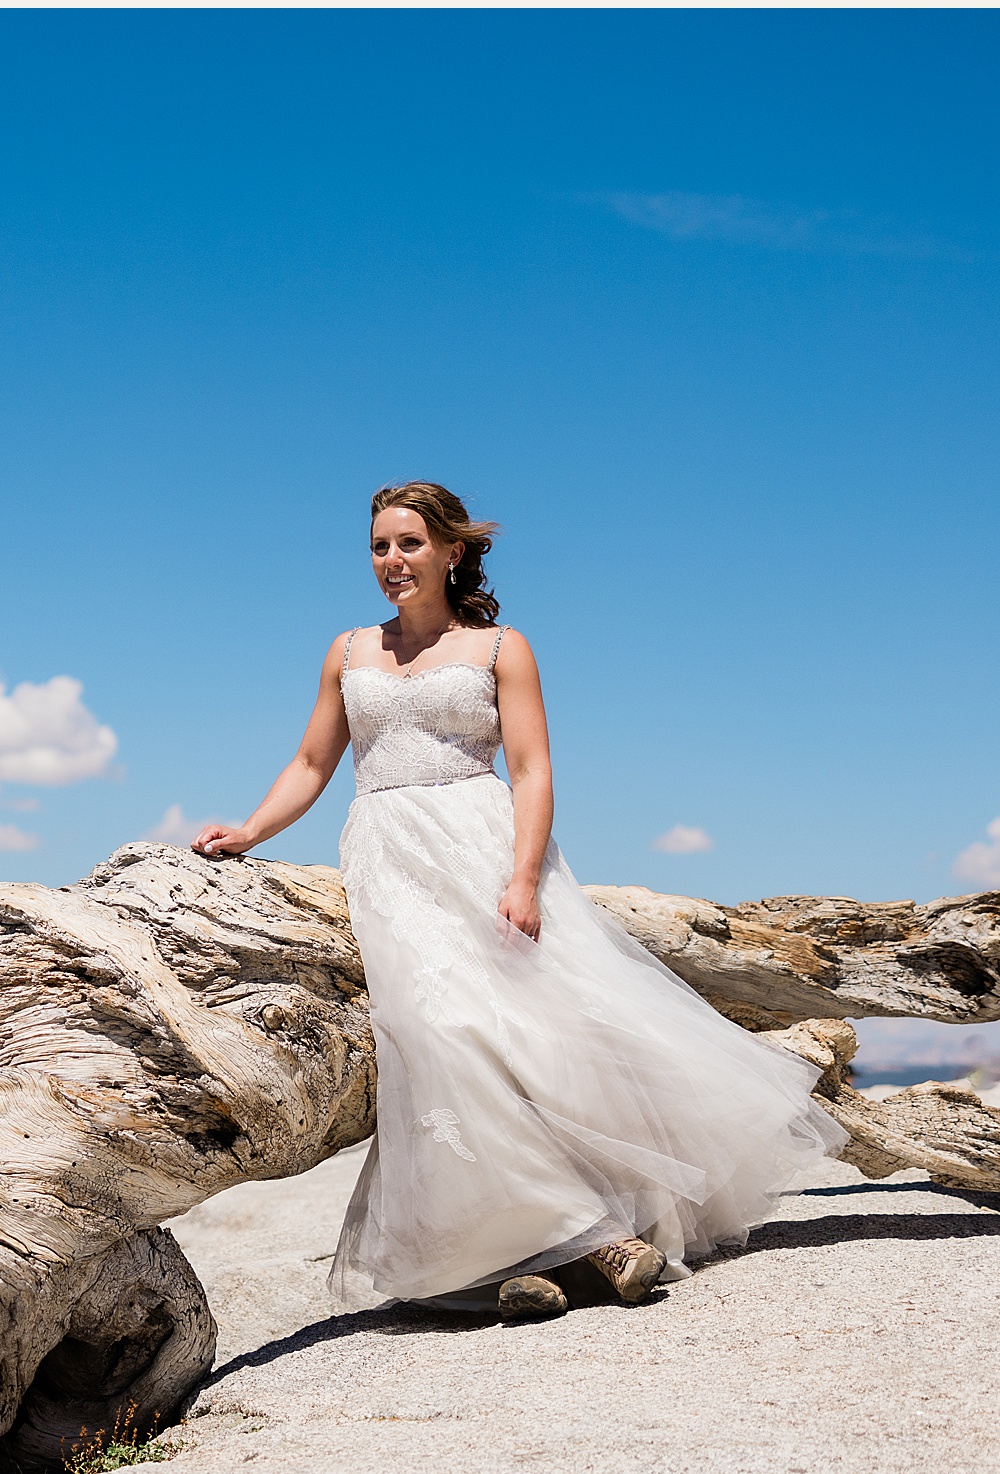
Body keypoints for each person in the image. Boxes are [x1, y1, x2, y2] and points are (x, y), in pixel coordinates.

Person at [191, 480, 844, 1319]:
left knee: (543, 1039)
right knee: (439, 1036)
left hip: (484, 844)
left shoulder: (502, 647)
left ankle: (581, 1240)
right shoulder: (349, 650)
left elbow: (532, 772)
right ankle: (535, 1254)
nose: (392, 562)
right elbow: (314, 765)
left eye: (410, 544)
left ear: (452, 551)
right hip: (391, 858)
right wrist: (250, 831)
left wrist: (524, 878)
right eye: (379, 547)